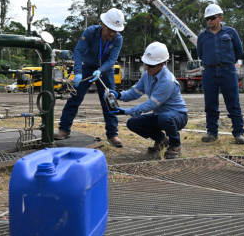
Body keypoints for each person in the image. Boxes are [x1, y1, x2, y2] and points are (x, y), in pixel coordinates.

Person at [54, 8, 125, 147]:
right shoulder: (90, 32)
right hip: (86, 68)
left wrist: (100, 70)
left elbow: (112, 59)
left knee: (109, 100)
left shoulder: (118, 39)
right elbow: (79, 51)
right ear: (103, 24)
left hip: (105, 70)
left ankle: (112, 134)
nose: (112, 33)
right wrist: (78, 71)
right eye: (110, 29)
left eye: (115, 30)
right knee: (75, 98)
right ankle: (64, 129)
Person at [108, 42, 188, 159]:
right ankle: (161, 140)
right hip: (160, 115)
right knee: (133, 123)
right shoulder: (147, 74)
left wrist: (126, 111)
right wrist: (119, 95)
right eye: (146, 64)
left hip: (178, 116)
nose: (147, 68)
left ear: (161, 64)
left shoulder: (167, 81)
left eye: (151, 65)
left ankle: (175, 145)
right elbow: (135, 92)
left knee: (165, 118)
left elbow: (150, 104)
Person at [196, 4, 244, 144]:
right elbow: (200, 54)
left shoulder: (231, 32)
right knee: (210, 103)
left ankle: (239, 133)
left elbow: (239, 51)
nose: (209, 21)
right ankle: (212, 133)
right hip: (209, 71)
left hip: (228, 71)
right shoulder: (202, 36)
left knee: (233, 103)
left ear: (220, 18)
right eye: (207, 19)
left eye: (212, 18)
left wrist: (228, 63)